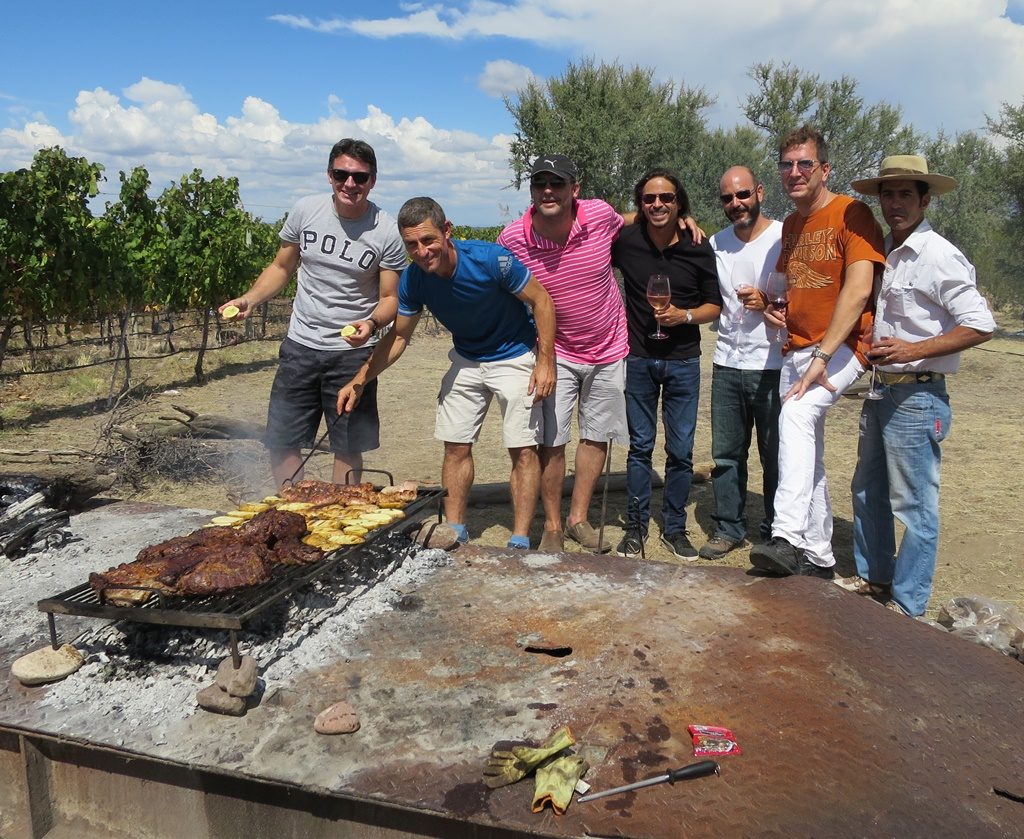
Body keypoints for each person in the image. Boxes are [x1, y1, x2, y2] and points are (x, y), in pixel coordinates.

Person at [336, 197, 556, 549]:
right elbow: (400, 336)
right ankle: (455, 530)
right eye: (412, 244)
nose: (421, 252)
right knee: (455, 445)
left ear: (447, 231)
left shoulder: (490, 260)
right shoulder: (414, 281)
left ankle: (519, 537)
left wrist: (545, 361)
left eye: (428, 240)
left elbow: (542, 300)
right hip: (467, 357)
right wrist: (361, 379)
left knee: (523, 449)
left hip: (514, 354)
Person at [843, 155, 995, 616]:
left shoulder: (939, 255)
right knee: (867, 489)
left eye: (905, 194)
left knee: (914, 504)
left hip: (918, 391)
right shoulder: (883, 249)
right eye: (888, 194)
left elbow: (981, 323)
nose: (895, 203)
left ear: (925, 200)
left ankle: (908, 605)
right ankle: (875, 578)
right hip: (883, 389)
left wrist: (913, 349)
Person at [221, 139, 406, 489]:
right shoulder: (306, 211)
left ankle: (338, 516)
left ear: (373, 180)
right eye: (341, 174)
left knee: (347, 445)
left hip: (352, 354)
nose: (350, 184)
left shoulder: (385, 230)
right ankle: (291, 511)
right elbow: (281, 266)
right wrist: (251, 298)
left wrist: (370, 323)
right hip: (300, 346)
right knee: (283, 438)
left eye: (360, 177)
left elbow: (389, 297)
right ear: (329, 175)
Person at [748, 126, 885, 580]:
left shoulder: (852, 213)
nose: (795, 172)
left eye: (805, 163)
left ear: (825, 169)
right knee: (807, 450)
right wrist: (774, 312)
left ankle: (785, 537)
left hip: (842, 346)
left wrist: (824, 355)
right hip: (798, 347)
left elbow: (859, 287)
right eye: (787, 165)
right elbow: (789, 288)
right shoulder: (791, 224)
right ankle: (821, 557)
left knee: (796, 418)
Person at [496, 154, 630, 555]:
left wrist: (682, 219)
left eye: (557, 183)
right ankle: (552, 524)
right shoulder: (512, 239)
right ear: (532, 191)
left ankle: (578, 519)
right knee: (551, 441)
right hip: (555, 354)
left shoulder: (600, 216)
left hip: (609, 348)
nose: (548, 191)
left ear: (576, 188)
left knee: (595, 436)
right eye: (540, 184)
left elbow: (637, 219)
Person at [610, 169, 721, 558]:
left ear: (680, 203)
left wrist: (685, 316)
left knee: (681, 451)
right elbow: (598, 219)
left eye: (667, 199)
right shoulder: (625, 242)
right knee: (640, 448)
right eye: (649, 199)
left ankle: (675, 528)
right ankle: (636, 528)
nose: (658, 204)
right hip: (638, 357)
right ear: (640, 205)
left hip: (683, 362)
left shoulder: (698, 247)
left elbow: (714, 305)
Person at [700, 166, 784, 559]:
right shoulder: (716, 243)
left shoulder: (784, 237)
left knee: (776, 455)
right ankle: (729, 527)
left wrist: (768, 304)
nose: (736, 204)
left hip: (773, 364)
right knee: (727, 455)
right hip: (728, 363)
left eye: (743, 195)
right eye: (728, 198)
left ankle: (776, 530)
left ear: (760, 193)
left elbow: (806, 296)